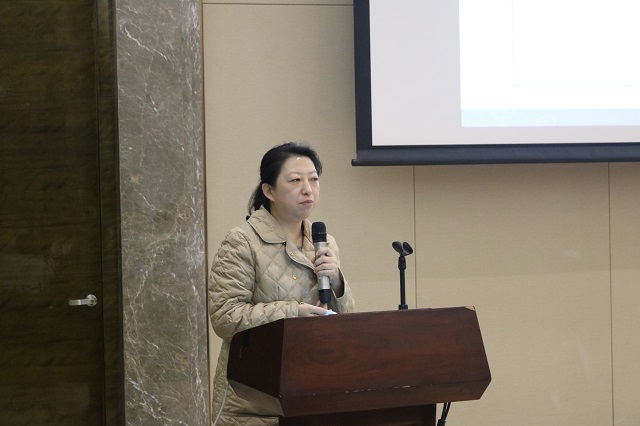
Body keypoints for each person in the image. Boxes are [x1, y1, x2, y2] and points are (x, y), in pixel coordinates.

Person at [208, 142, 355, 425]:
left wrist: (337, 281)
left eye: (314, 180)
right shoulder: (242, 241)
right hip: (253, 401)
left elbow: (343, 322)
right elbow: (224, 318)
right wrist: (293, 312)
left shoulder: (324, 242)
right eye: (296, 180)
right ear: (269, 191)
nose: (308, 189)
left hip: (312, 392)